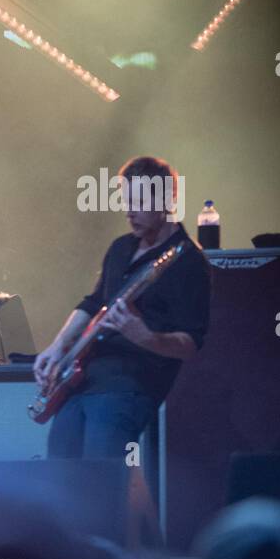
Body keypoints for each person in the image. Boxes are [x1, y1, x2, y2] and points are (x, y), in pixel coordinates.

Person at [34, 155, 210, 459]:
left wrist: (144, 336)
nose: (129, 212)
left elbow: (190, 344)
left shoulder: (187, 261)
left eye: (139, 202)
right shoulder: (120, 248)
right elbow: (94, 303)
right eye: (126, 201)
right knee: (59, 473)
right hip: (83, 380)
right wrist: (57, 347)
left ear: (168, 200)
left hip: (130, 386)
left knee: (100, 476)